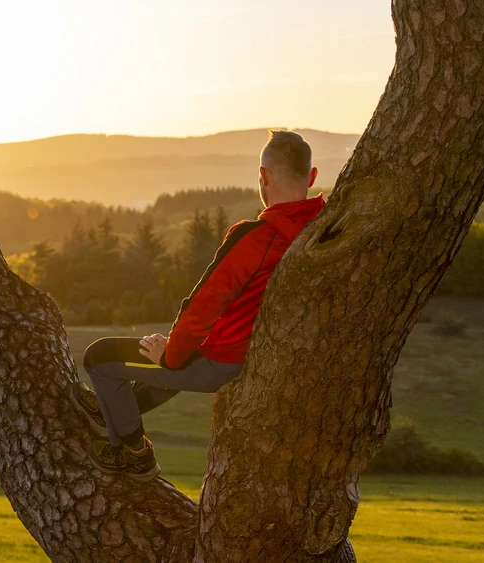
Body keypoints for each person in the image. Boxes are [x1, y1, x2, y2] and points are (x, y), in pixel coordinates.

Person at [69, 128, 326, 482]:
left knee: (99, 358)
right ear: (311, 177)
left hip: (221, 360)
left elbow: (201, 307)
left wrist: (170, 356)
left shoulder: (254, 238)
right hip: (253, 357)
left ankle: (133, 454)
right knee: (173, 355)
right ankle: (109, 412)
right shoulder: (321, 230)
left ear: (263, 177)